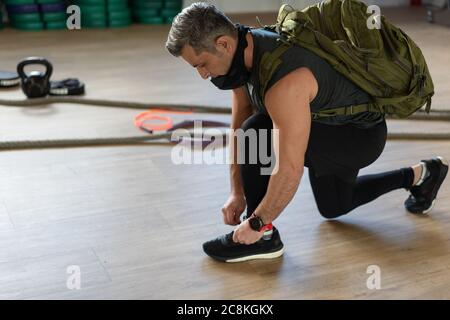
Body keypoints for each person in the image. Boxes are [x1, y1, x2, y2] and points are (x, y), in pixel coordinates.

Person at [165, 2, 448, 263]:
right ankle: (422, 174)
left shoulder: (285, 82)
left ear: (223, 44)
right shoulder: (241, 54)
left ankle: (262, 239)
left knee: (258, 131)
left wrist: (256, 222)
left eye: (201, 64)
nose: (202, 74)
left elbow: (288, 170)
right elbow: (239, 120)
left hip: (358, 136)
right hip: (328, 123)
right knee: (334, 206)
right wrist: (235, 191)